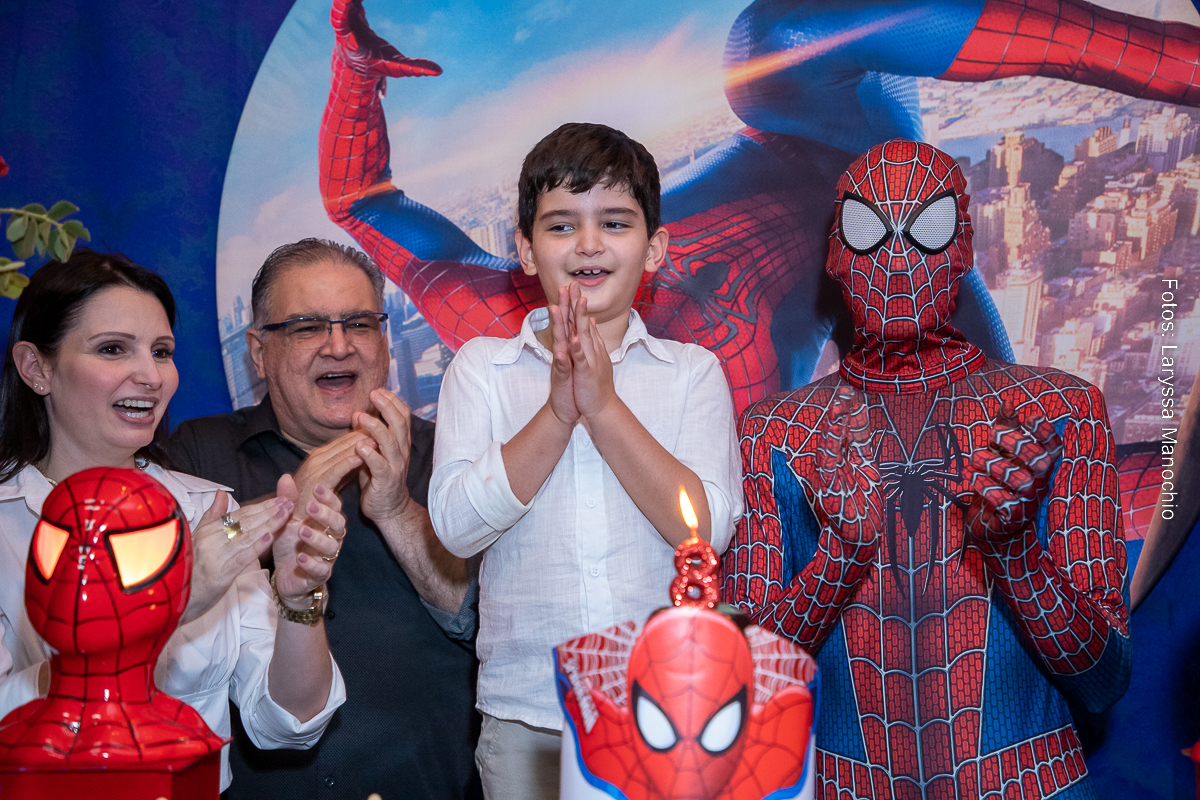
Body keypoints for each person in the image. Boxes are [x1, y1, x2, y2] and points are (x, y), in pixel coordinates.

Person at [318, 0, 1200, 417]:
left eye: (604, 226)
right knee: (987, 447)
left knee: (768, 43)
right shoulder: (710, 448)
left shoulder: (489, 306)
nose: (590, 253)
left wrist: (355, 78)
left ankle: (1181, 60)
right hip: (891, 286)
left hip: (818, 132)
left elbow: (359, 201)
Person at [723, 140, 1130, 799]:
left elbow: (1105, 682)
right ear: (835, 253)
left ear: (963, 247)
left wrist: (1015, 552)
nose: (896, 256)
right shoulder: (776, 433)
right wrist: (839, 558)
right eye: (868, 229)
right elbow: (738, 686)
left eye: (928, 227)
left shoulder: (1060, 412)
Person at [429, 122, 742, 798]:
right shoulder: (483, 370)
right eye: (562, 226)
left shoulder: (691, 372)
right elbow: (456, 527)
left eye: (616, 223)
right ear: (524, 249)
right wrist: (558, 412)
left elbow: (708, 530)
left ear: (654, 249)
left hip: (663, 714)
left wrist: (603, 406)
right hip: (528, 715)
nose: (589, 244)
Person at [0, 250, 348, 792]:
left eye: (161, 352)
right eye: (113, 349)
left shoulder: (210, 513)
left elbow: (288, 723)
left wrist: (300, 602)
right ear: (36, 368)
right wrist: (166, 603)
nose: (150, 376)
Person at [167, 238, 480, 799]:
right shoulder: (196, 456)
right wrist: (293, 500)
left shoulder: (450, 456)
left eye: (359, 324)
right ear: (259, 352)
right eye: (307, 327)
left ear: (383, 341)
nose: (339, 346)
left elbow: (481, 621)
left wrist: (395, 510)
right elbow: (148, 603)